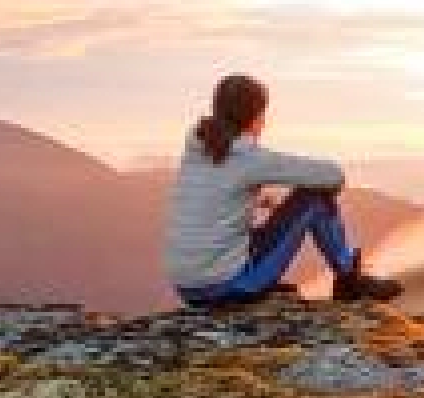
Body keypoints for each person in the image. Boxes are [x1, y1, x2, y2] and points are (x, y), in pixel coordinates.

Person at [163, 73, 403, 307]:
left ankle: (259, 280)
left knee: (265, 226)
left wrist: (264, 201)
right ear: (254, 117)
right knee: (315, 197)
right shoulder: (249, 157)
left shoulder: (198, 146)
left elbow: (215, 194)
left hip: (187, 287)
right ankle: (350, 279)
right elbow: (333, 176)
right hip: (224, 285)